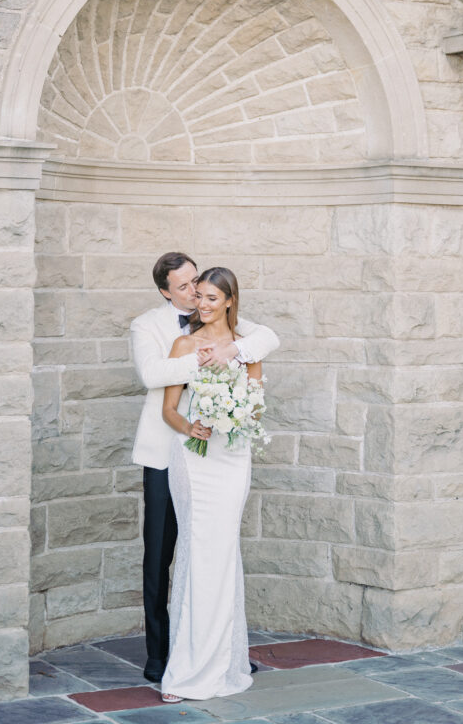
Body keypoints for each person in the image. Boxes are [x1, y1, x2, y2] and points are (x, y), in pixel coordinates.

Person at [131, 252, 279, 684]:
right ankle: (162, 656)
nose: (196, 293)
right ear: (165, 291)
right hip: (171, 451)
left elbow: (265, 340)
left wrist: (233, 350)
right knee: (162, 556)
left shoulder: (239, 331)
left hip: (225, 455)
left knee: (220, 551)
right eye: (186, 287)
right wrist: (204, 357)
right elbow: (151, 375)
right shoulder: (150, 327)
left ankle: (225, 651)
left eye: (201, 285)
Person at [160, 267, 259, 702]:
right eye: (198, 297)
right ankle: (184, 672)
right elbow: (169, 410)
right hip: (195, 461)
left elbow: (256, 410)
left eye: (211, 299)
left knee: (223, 555)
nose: (201, 305)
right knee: (197, 552)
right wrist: (193, 427)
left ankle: (223, 664)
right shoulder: (183, 344)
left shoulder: (246, 349)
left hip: (233, 459)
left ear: (230, 301)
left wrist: (235, 416)